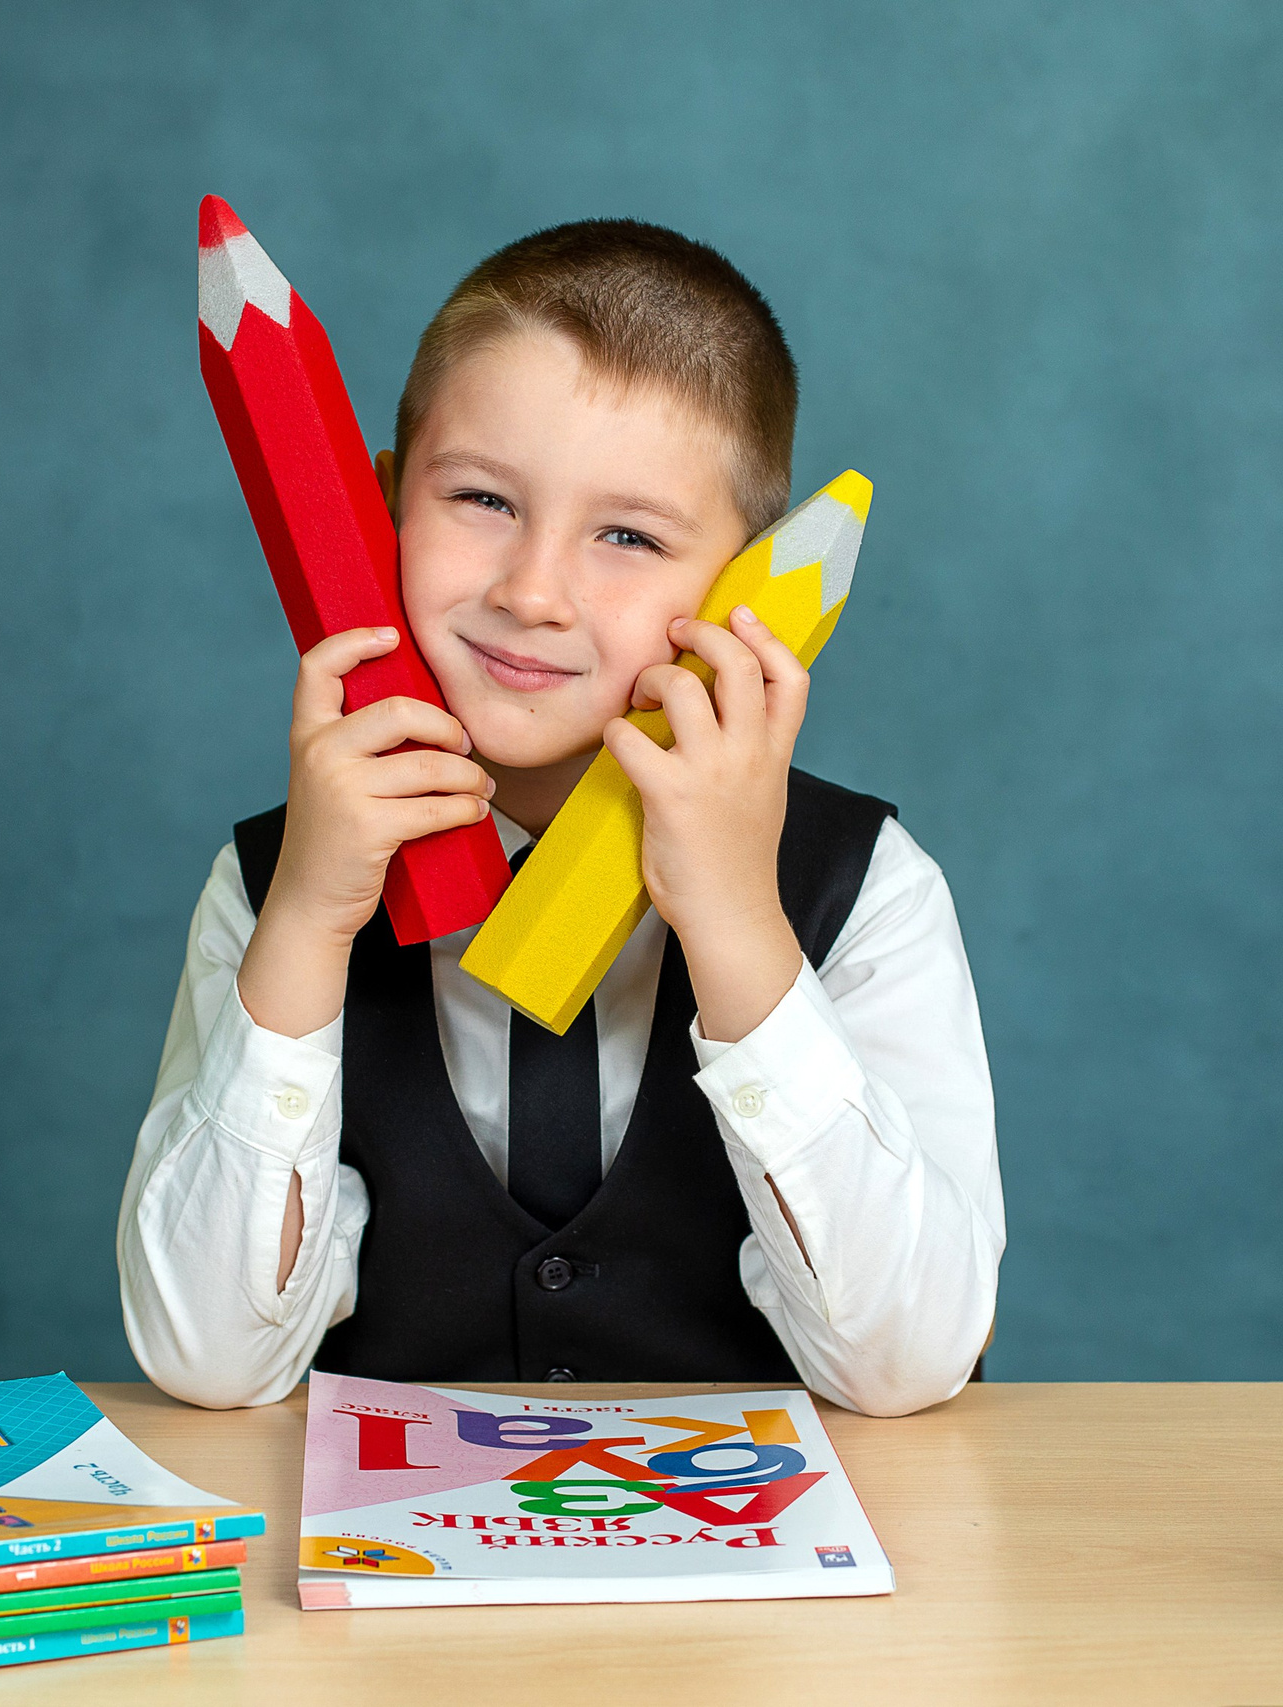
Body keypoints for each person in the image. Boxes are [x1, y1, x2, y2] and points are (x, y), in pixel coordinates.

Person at [119, 220, 1001, 1416]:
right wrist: (309, 929)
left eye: (628, 536)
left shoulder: (864, 888)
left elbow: (906, 1365)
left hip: (759, 1578)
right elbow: (206, 1361)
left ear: (741, 591)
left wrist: (742, 926)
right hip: (389, 1571)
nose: (531, 592)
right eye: (482, 498)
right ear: (381, 504)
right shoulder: (273, 880)